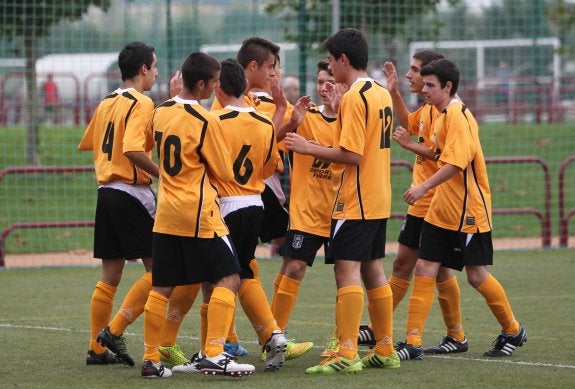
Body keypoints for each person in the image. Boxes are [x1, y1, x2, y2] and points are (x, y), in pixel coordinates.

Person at [285, 28, 400, 374]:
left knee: (346, 271)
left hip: (356, 198)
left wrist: (309, 148)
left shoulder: (353, 96)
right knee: (374, 270)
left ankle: (347, 353)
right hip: (379, 195)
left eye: (332, 60)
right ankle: (384, 347)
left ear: (344, 60)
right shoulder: (381, 93)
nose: (330, 68)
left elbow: (351, 154)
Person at [397, 58, 527, 359]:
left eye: (430, 85)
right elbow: (437, 152)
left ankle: (512, 329)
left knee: (476, 275)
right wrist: (411, 147)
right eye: (424, 84)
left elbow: (456, 163)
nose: (424, 90)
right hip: (442, 208)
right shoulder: (440, 115)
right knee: (424, 267)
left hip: (468, 210)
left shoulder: (459, 116)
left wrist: (423, 187)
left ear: (448, 86)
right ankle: (413, 342)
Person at [140, 52, 255, 378]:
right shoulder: (206, 121)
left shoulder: (161, 110)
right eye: (215, 82)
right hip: (199, 213)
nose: (217, 87)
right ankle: (215, 353)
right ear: (202, 84)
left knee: (162, 285)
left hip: (166, 212)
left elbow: (149, 145)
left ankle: (150, 360)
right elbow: (224, 171)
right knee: (229, 277)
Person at [357, 50, 468, 360]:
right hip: (422, 200)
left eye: (415, 70)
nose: (409, 75)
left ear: (435, 78)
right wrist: (393, 91)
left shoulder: (452, 113)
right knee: (410, 264)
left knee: (436, 268)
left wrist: (411, 149)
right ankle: (385, 326)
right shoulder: (431, 107)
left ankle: (424, 336)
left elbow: (448, 156)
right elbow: (409, 122)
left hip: (435, 198)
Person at [184, 58, 288, 373]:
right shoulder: (264, 122)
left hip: (223, 207)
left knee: (218, 278)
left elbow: (204, 164)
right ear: (244, 86)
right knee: (241, 273)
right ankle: (270, 332)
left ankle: (213, 349)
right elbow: (273, 167)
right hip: (254, 204)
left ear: (218, 86)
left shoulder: (213, 120)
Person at [78, 41, 159, 367]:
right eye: (155, 68)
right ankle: (114, 331)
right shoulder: (142, 102)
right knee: (162, 268)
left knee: (110, 274)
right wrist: (163, 173)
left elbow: (90, 143)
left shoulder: (106, 102)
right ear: (143, 70)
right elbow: (132, 148)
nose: (156, 74)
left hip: (106, 192)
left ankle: (95, 349)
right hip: (131, 191)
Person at [270, 60, 340, 352]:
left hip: (342, 212)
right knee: (294, 266)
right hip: (307, 213)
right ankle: (274, 336)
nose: (324, 88)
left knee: (346, 276)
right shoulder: (304, 116)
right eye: (320, 81)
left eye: (331, 82)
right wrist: (289, 117)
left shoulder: (355, 120)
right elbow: (270, 138)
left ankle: (342, 338)